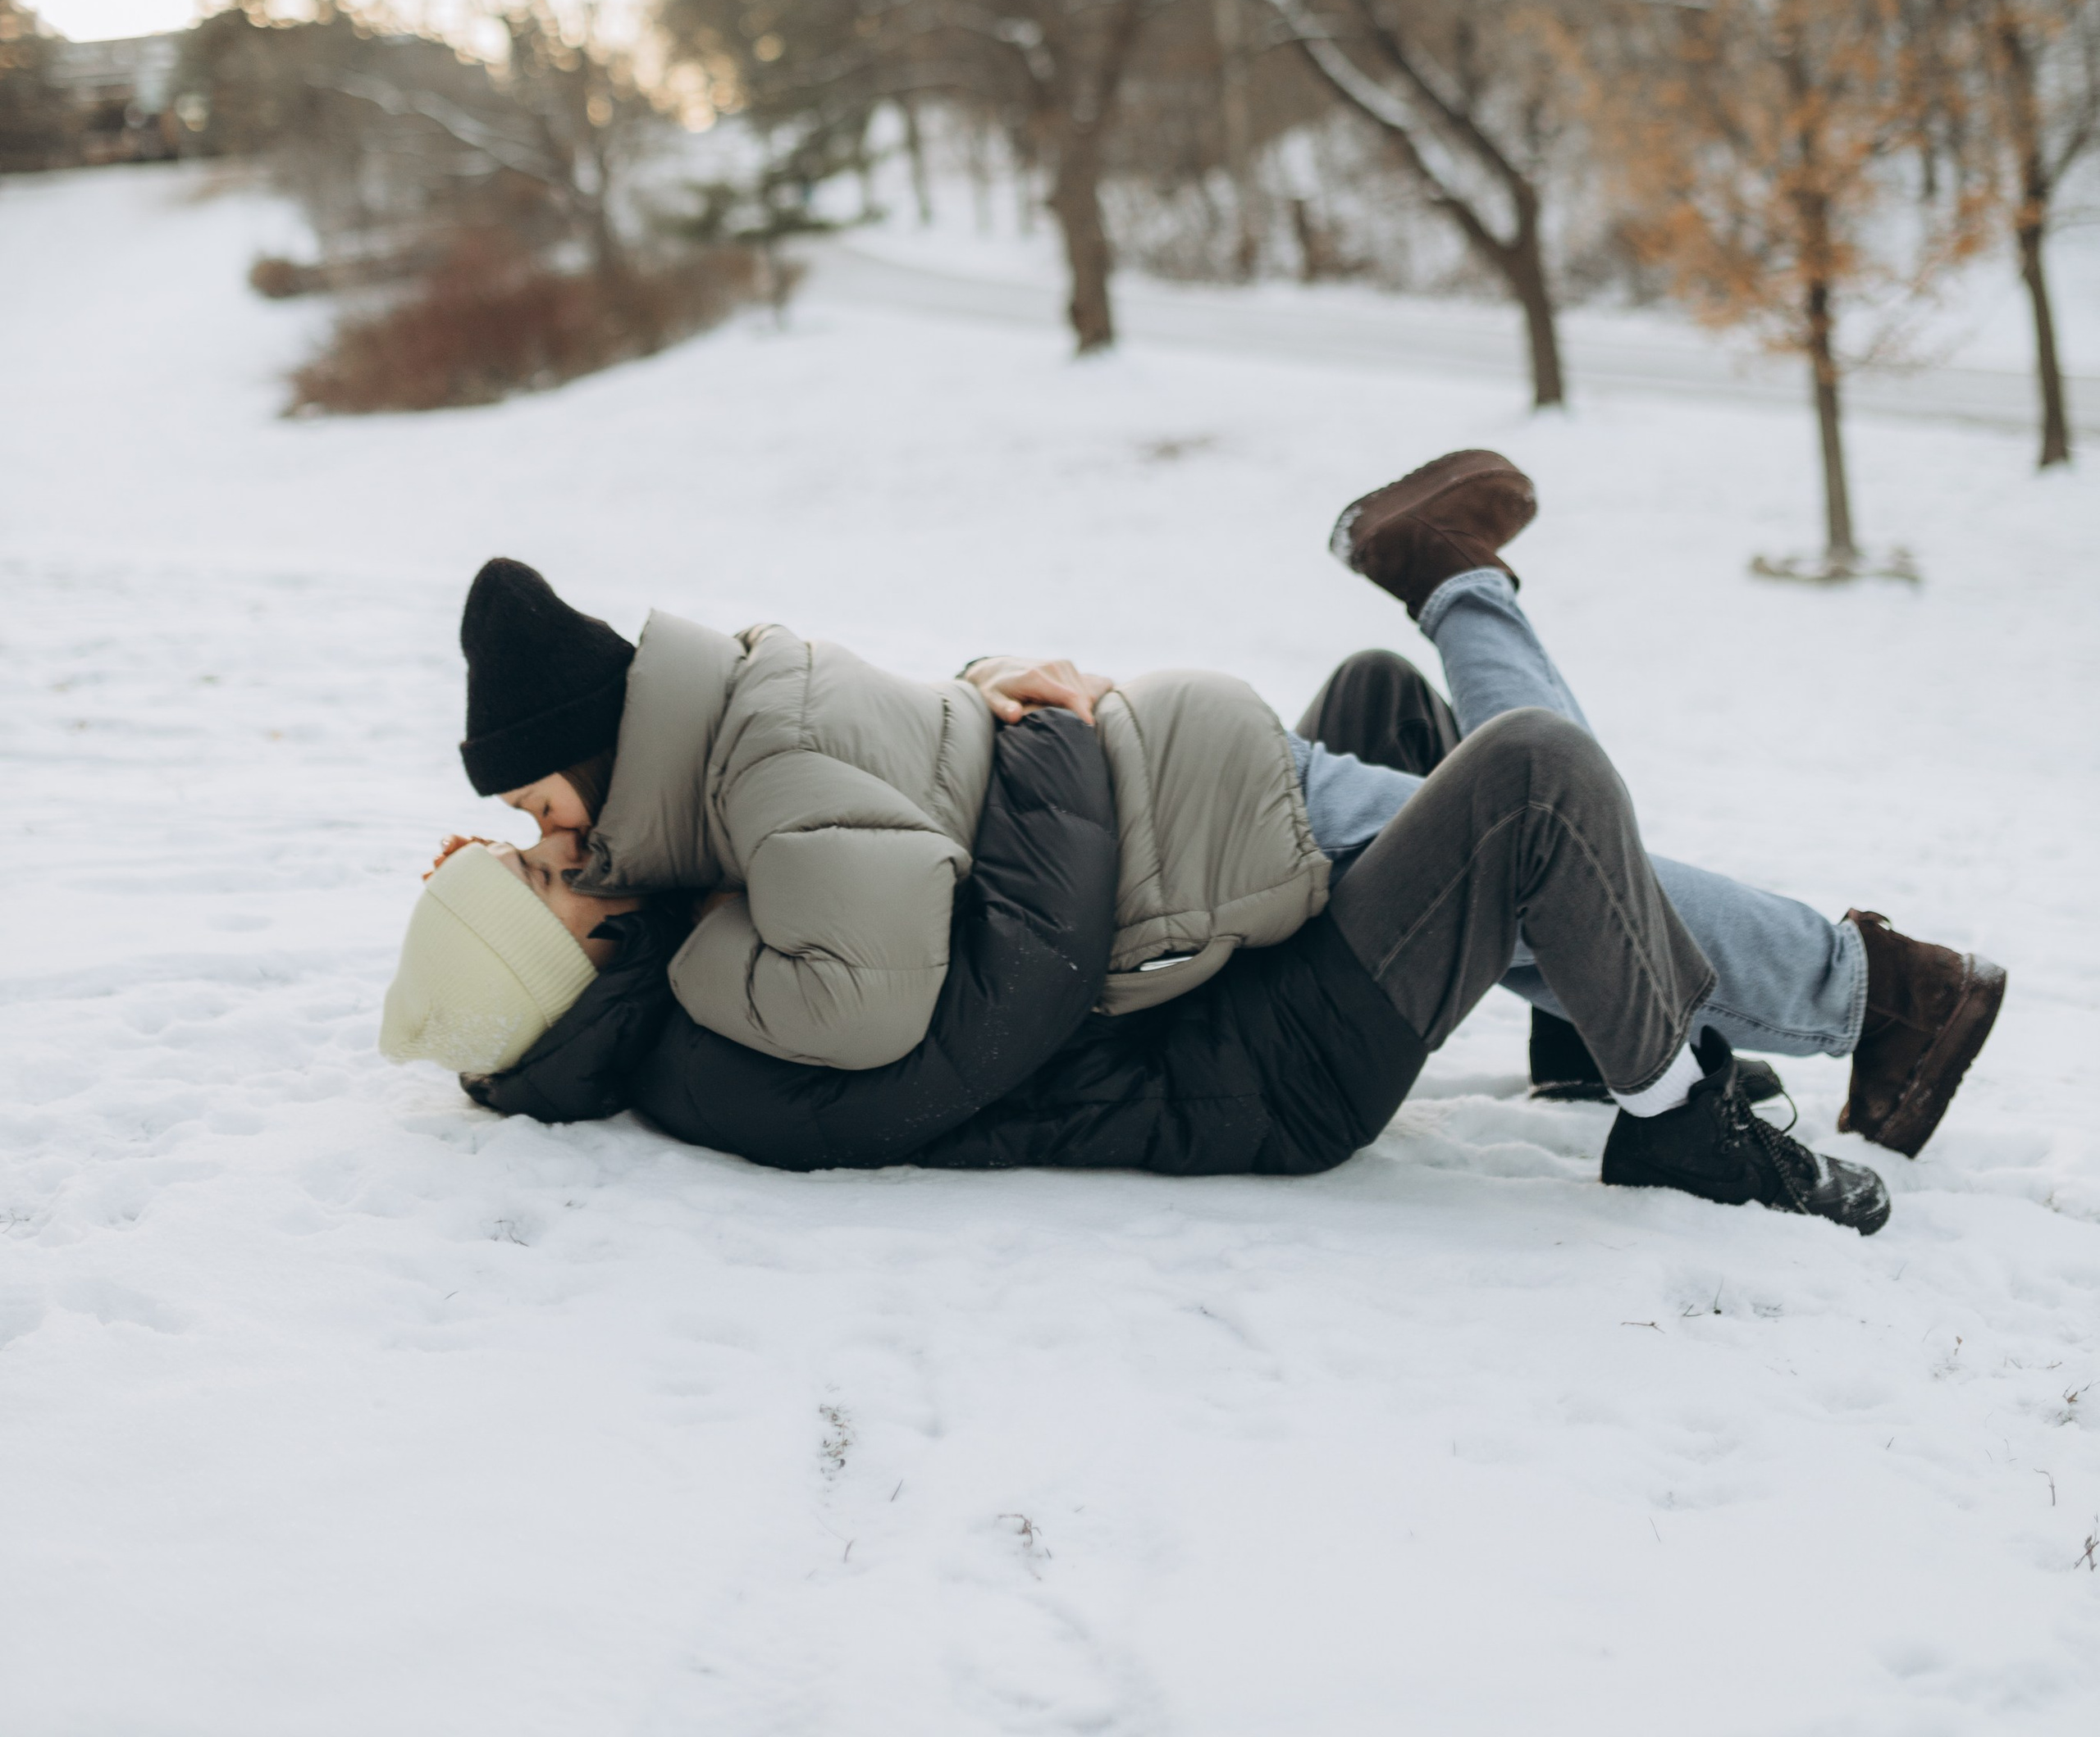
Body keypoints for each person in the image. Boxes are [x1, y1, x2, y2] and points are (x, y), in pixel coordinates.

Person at [382, 454, 2006, 1234]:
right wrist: (1067, 740)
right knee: (1533, 786)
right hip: (1221, 962)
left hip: (1197, 865)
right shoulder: (707, 933)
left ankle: (1604, 999)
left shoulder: (721, 819)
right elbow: (967, 973)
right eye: (544, 865)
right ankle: (1815, 1024)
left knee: (1412, 725)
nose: (565, 851)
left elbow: (908, 792)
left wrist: (1013, 710)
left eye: (541, 824)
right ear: (566, 963)